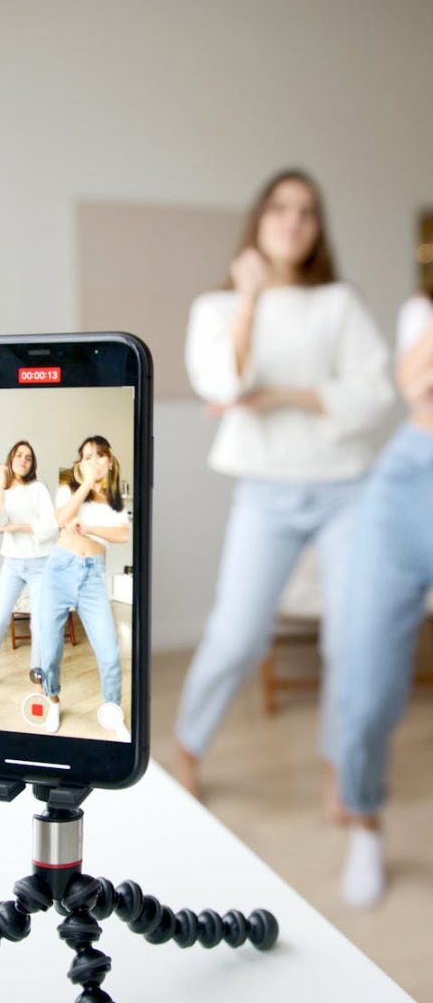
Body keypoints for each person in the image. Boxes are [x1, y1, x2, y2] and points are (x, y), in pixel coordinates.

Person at [174, 169, 393, 805]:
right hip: (265, 493)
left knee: (350, 640)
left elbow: (376, 391)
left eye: (306, 211)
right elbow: (222, 385)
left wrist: (288, 396)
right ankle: (187, 747)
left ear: (318, 227)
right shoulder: (216, 308)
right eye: (280, 208)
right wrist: (249, 298)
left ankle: (340, 769)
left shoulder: (340, 303)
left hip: (347, 491)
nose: (293, 221)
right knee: (236, 635)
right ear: (259, 220)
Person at [339, 294, 433, 908]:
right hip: (405, 490)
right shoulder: (420, 314)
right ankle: (365, 823)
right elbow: (416, 383)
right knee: (369, 692)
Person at [38, 435, 130, 734]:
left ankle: (113, 715)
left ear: (110, 460)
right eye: (86, 456)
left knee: (109, 653)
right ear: (80, 462)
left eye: (99, 455)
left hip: (92, 576)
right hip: (59, 570)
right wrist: (87, 484)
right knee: (50, 651)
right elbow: (60, 518)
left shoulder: (115, 497)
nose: (93, 461)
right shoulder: (68, 484)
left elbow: (122, 535)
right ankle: (52, 701)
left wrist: (89, 527)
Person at [0, 440, 58, 696]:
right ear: (11, 459)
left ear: (32, 463)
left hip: (40, 565)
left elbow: (51, 525)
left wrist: (18, 527)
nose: (23, 460)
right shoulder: (2, 492)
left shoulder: (38, 489)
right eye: (19, 455)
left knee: (40, 625)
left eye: (28, 457)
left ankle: (38, 677)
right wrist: (1, 484)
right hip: (12, 564)